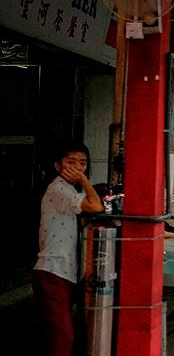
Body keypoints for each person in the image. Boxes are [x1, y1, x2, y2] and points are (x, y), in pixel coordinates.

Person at [33, 141, 104, 356]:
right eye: (71, 162)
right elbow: (96, 206)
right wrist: (84, 180)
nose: (77, 167)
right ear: (58, 166)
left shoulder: (68, 191)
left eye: (82, 163)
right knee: (62, 336)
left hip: (65, 271)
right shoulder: (58, 189)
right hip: (52, 270)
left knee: (63, 333)